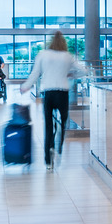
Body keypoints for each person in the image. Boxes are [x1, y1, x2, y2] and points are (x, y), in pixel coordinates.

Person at [25, 32, 86, 171]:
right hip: (63, 93)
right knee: (63, 121)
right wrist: (72, 74)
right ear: (63, 42)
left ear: (50, 42)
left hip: (48, 93)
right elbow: (84, 71)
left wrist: (25, 86)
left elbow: (35, 73)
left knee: (48, 125)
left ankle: (48, 160)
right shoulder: (67, 56)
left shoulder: (43, 54)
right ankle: (58, 143)